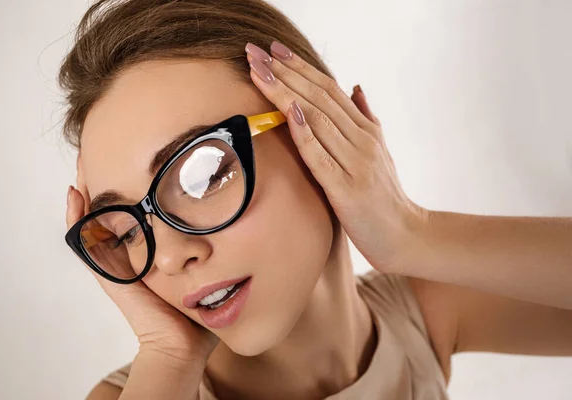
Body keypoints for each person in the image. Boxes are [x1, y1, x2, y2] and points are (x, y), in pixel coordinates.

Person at [60, 0, 572, 399]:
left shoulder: (426, 313)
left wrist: (410, 232)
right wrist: (169, 358)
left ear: (324, 133)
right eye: (127, 230)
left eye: (204, 175)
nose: (170, 256)